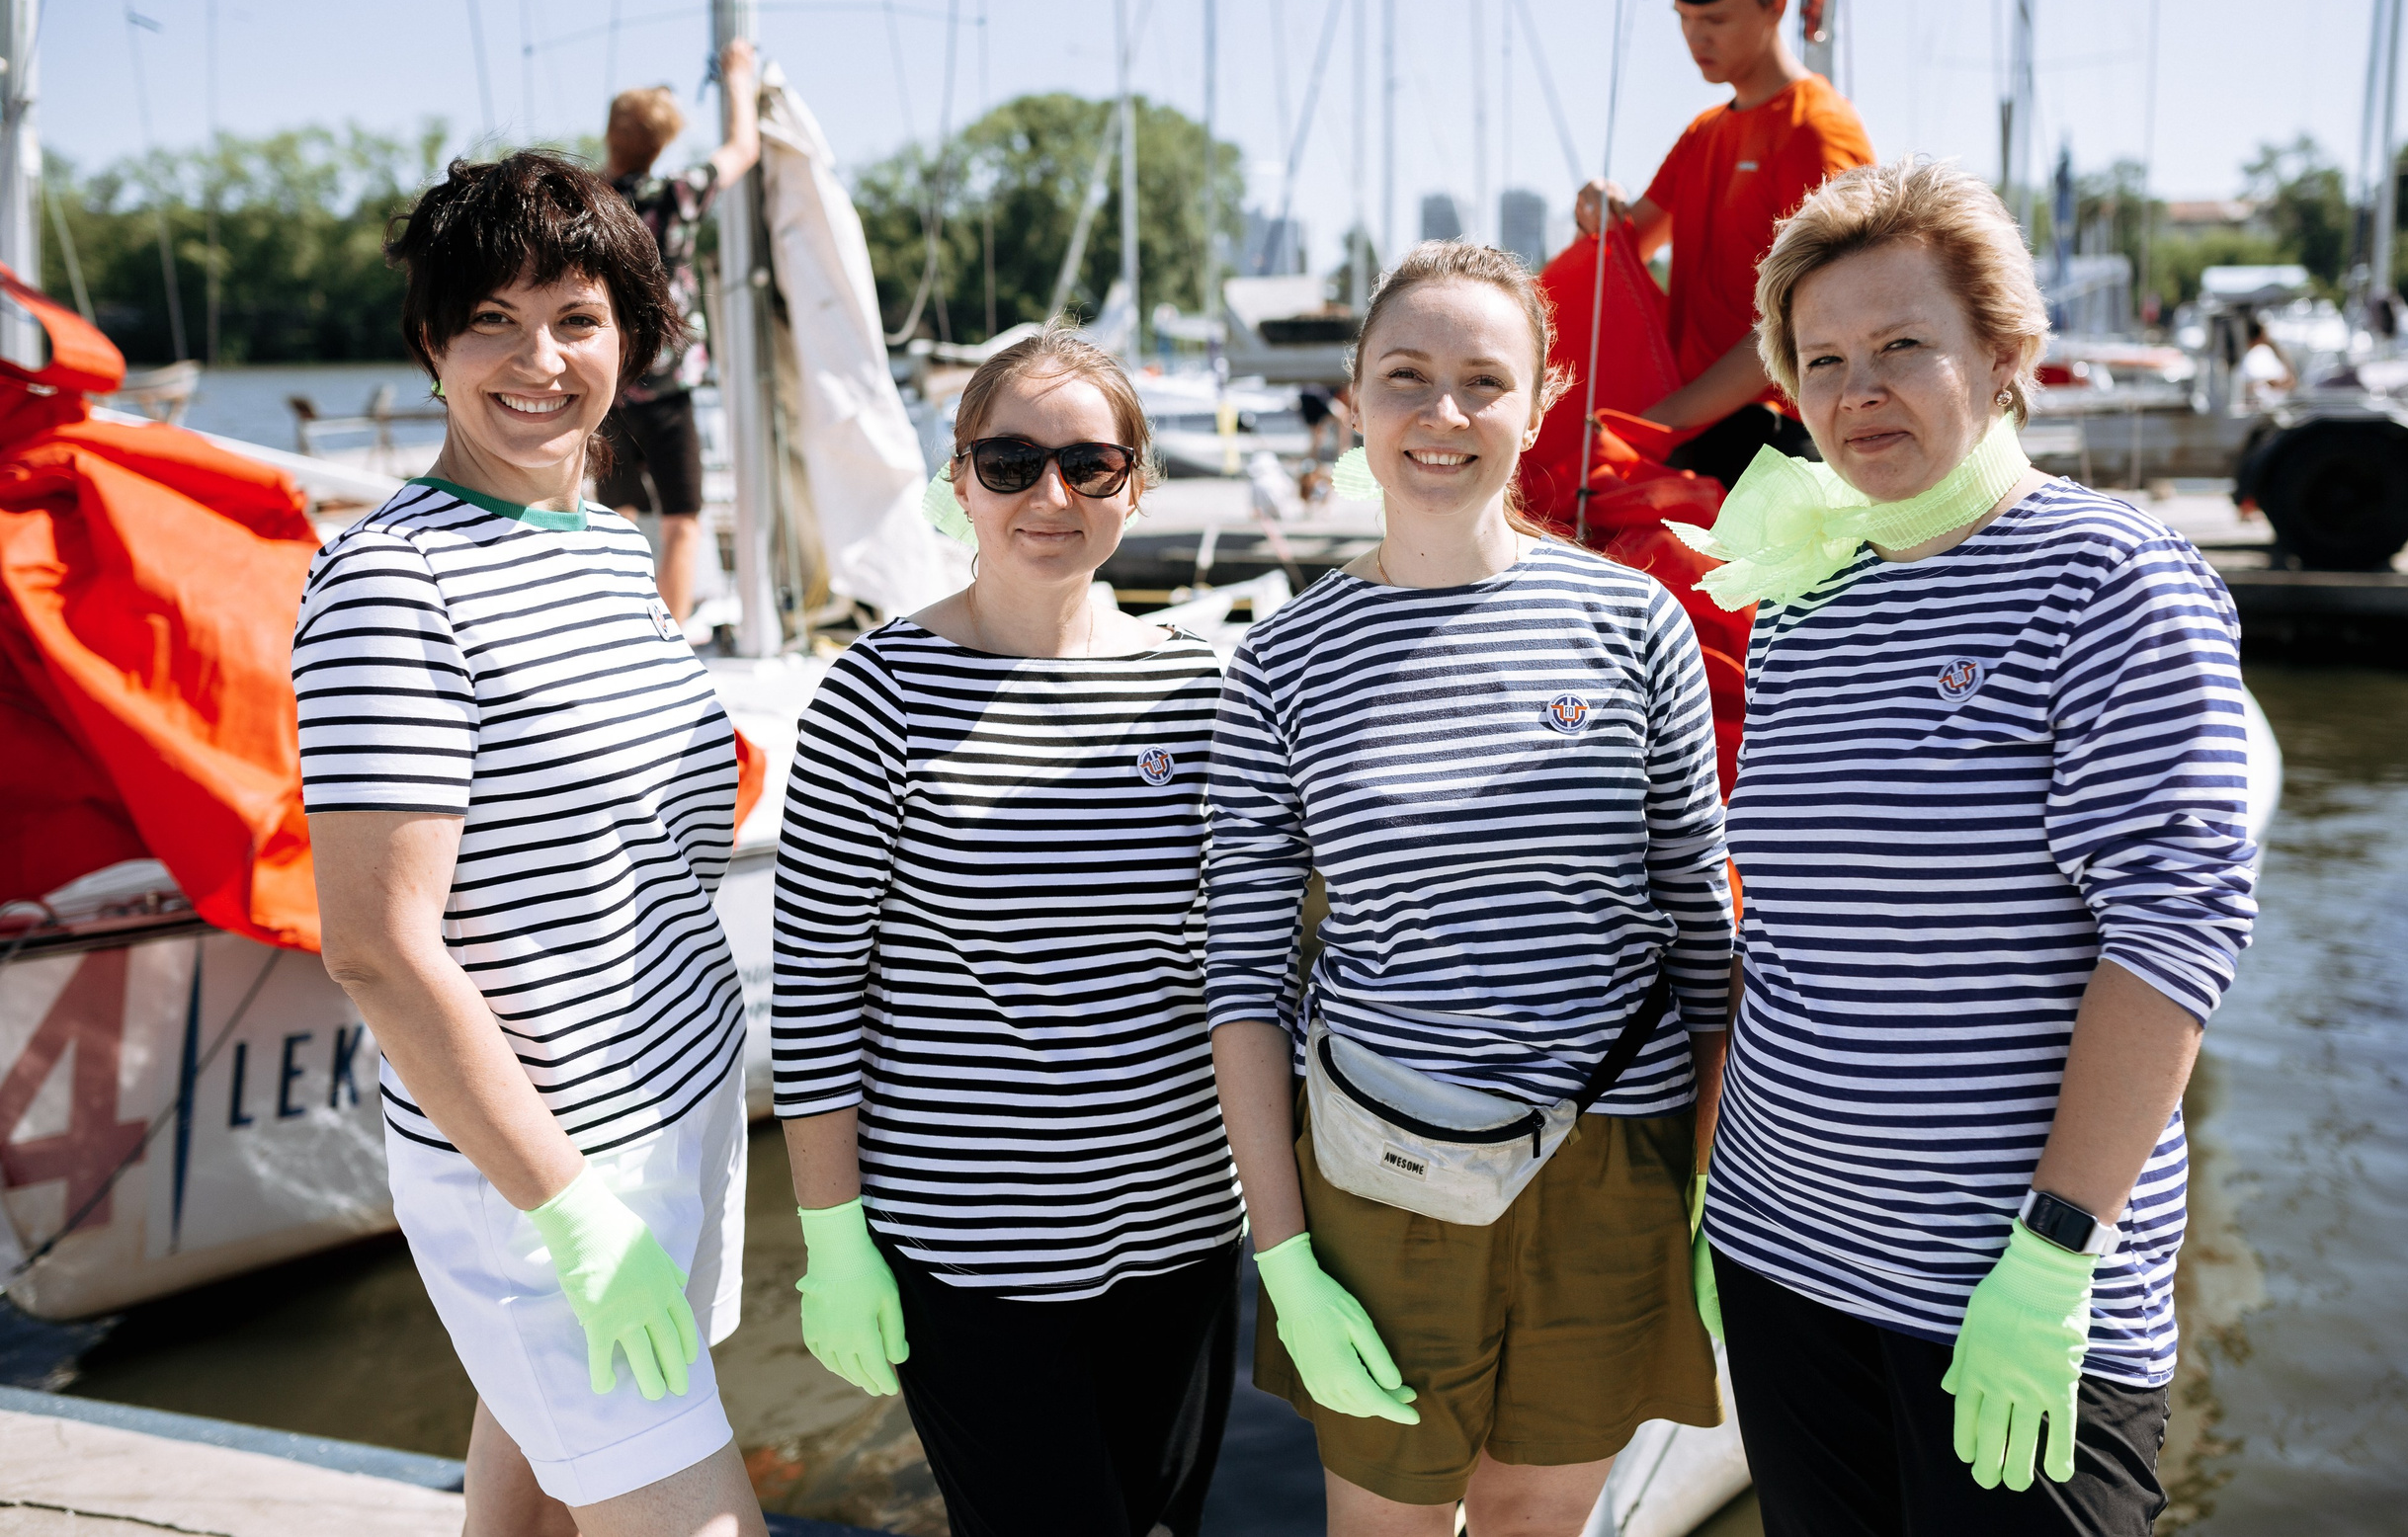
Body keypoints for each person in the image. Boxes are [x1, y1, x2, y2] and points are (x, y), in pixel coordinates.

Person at [1683, 158, 2259, 1535]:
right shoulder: (1813, 602)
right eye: (1820, 358)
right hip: (1783, 1256)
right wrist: (1718, 1199)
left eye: (1900, 346)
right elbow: (1791, 938)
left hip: (2011, 1288)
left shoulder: (2114, 580)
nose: (1856, 388)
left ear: (2003, 356)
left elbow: (2172, 936)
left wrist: (2055, 1253)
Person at [1207, 241, 1735, 1535]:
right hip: (1384, 1167)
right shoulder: (1278, 662)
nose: (1443, 414)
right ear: (1353, 404)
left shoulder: (1638, 622)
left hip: (1620, 1156)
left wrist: (1723, 1202)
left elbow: (1704, 933)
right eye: (1406, 377)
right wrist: (1282, 1252)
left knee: (1536, 1515)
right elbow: (1244, 977)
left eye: (1482, 380)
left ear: (1543, 402)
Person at [293, 152, 764, 1537]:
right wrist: (567, 1212)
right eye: (488, 318)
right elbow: (380, 947)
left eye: (573, 314)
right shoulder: (396, 580)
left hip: (672, 1115)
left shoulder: (607, 547)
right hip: (552, 1173)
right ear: (431, 343)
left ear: (631, 336)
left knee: (537, 1506)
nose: (536, 357)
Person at [771, 329, 1246, 1537]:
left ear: (1135, 486)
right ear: (959, 483)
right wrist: (832, 1239)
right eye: (1009, 461)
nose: (1049, 494)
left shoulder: (1199, 689)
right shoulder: (874, 698)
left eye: (1089, 463)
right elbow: (818, 994)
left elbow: (1247, 961)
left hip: (1183, 1232)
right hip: (969, 1256)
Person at [1574, 0, 1873, 487]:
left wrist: (1658, 421)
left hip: (1780, 440)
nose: (1694, 36)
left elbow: (1816, 311)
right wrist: (1598, 205)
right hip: (1697, 432)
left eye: (1713, 18)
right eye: (1684, 17)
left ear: (1776, 6)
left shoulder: (1819, 128)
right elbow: (1624, 250)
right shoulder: (1704, 132)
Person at [596, 38, 762, 624]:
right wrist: (740, 75)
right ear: (664, 141)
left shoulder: (589, 203)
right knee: (682, 521)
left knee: (616, 516)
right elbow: (743, 147)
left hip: (607, 384)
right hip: (668, 386)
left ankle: (616, 628)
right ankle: (671, 637)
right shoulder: (678, 195)